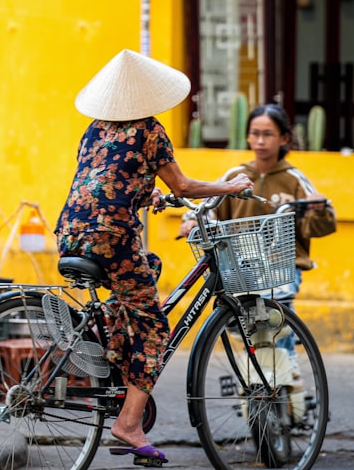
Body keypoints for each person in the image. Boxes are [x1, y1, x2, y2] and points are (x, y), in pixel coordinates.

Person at [55, 49, 252, 460]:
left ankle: (108, 347)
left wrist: (151, 197)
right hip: (112, 236)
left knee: (149, 271)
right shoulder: (150, 130)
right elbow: (183, 186)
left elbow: (107, 180)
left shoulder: (95, 129)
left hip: (72, 231)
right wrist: (228, 188)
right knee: (154, 329)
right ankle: (128, 423)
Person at [178, 103, 336, 314]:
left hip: (283, 267)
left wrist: (318, 209)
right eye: (255, 134)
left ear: (284, 139)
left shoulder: (294, 179)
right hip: (243, 267)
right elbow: (209, 205)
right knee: (237, 321)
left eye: (268, 134)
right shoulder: (236, 176)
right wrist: (190, 220)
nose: (260, 141)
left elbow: (321, 223)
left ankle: (286, 345)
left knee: (276, 318)